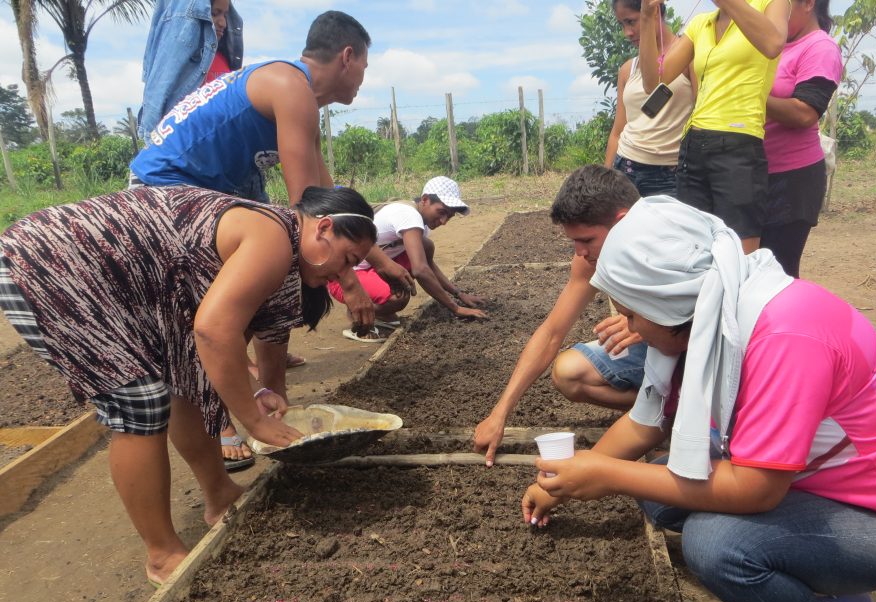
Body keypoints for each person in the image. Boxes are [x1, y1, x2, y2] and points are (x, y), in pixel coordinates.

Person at [521, 196, 876, 602]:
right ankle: (816, 585)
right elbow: (643, 422)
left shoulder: (786, 332)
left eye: (632, 312)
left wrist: (609, 475)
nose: (628, 326)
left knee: (715, 543)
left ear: (673, 306)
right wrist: (559, 483)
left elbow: (756, 490)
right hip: (816, 495)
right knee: (660, 496)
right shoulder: (711, 307)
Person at [0, 185, 377, 587]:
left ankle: (219, 494)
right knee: (139, 401)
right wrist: (253, 421)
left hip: (103, 275)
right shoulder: (272, 239)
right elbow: (213, 332)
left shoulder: (281, 243)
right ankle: (161, 554)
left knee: (184, 379)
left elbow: (218, 347)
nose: (343, 276)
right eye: (347, 260)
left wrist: (255, 392)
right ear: (323, 229)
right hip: (50, 264)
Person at [131, 10, 398, 467]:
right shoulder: (292, 88)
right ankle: (231, 421)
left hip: (204, 194)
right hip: (165, 197)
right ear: (347, 57)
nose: (362, 81)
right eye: (365, 68)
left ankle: (270, 401)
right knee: (220, 314)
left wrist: (378, 258)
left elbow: (329, 201)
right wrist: (348, 282)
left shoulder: (296, 94)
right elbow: (308, 214)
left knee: (260, 295)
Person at [473, 165, 643, 466]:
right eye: (573, 241)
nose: (579, 252)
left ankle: (673, 409)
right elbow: (552, 332)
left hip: (694, 350)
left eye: (587, 240)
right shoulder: (589, 262)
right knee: (568, 373)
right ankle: (665, 406)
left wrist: (645, 325)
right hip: (654, 348)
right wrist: (499, 413)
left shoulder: (671, 248)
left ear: (623, 222)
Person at [638, 0, 789, 252]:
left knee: (740, 255)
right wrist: (646, 16)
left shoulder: (771, 4)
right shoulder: (701, 23)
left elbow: (773, 43)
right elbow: (654, 80)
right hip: (692, 147)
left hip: (739, 146)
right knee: (696, 251)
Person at [327, 177, 488, 341]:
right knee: (397, 299)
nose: (444, 221)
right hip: (346, 276)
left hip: (372, 267)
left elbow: (428, 266)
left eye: (450, 216)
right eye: (441, 212)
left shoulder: (419, 221)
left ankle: (381, 314)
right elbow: (421, 270)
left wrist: (459, 294)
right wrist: (456, 308)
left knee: (426, 246)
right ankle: (358, 312)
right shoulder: (408, 215)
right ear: (425, 200)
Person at [760, 0, 842, 277]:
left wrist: (750, 95)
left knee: (778, 270)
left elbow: (805, 113)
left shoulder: (820, 47)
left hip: (792, 181)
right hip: (752, 171)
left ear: (808, 4)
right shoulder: (772, 44)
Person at [605, 0, 694, 197]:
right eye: (622, 24)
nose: (627, 32)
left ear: (653, 12)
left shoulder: (690, 57)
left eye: (631, 21)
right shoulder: (628, 69)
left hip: (670, 175)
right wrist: (605, 182)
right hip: (625, 169)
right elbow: (617, 132)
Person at [139, 0, 244, 140]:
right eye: (214, 13)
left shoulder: (225, 59)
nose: (222, 23)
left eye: (225, 15)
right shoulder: (180, 64)